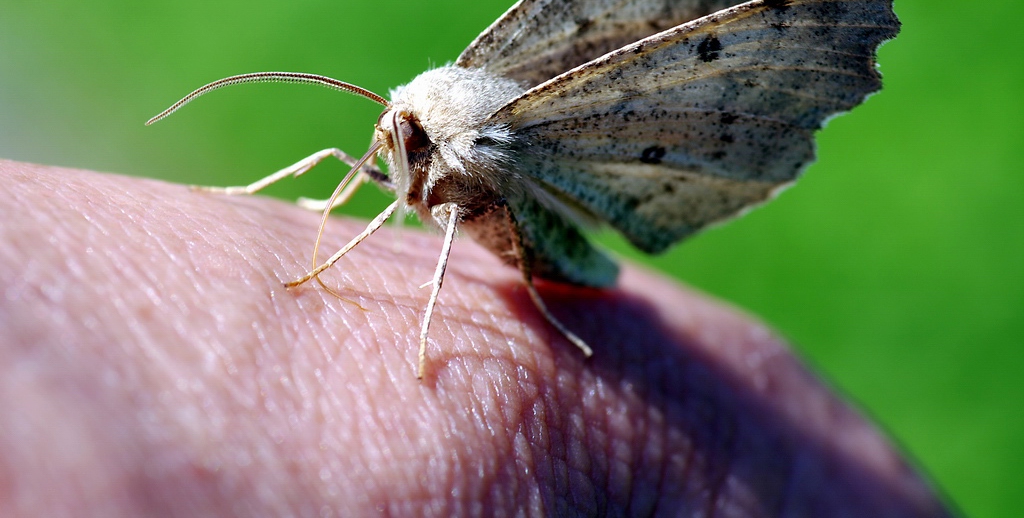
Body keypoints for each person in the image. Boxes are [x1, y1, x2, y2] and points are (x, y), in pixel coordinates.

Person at [0, 160, 953, 516]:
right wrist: (254, 209)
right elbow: (369, 174)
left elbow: (451, 221)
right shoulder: (399, 154)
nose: (391, 153)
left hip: (569, 270)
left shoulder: (466, 177)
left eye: (407, 139)